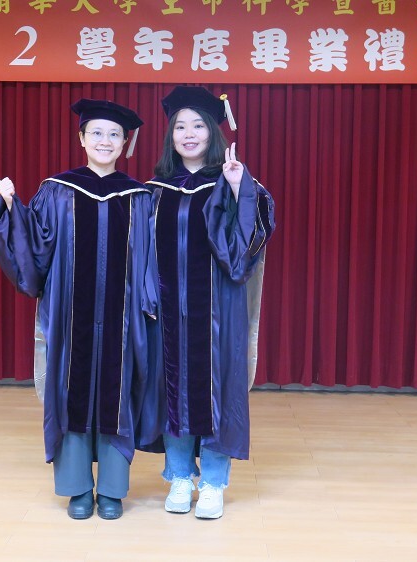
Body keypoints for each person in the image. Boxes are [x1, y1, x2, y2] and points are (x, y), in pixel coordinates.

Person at [0, 99, 152, 520]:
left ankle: (112, 489)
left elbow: (153, 260)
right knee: (69, 392)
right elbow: (36, 246)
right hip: (70, 316)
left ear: (125, 143)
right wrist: (12, 208)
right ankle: (77, 488)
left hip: (122, 319)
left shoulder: (140, 198)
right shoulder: (57, 190)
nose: (105, 141)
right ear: (81, 139)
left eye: (114, 135)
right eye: (96, 133)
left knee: (119, 394)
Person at [137, 86, 276, 519]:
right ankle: (180, 476)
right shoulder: (155, 190)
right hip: (166, 310)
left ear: (214, 132)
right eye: (180, 127)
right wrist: (146, 291)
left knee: (218, 389)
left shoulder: (231, 180)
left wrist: (237, 189)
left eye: (198, 125)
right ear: (171, 136)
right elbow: (139, 249)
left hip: (219, 309)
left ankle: (213, 482)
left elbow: (247, 248)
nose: (189, 134)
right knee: (172, 389)